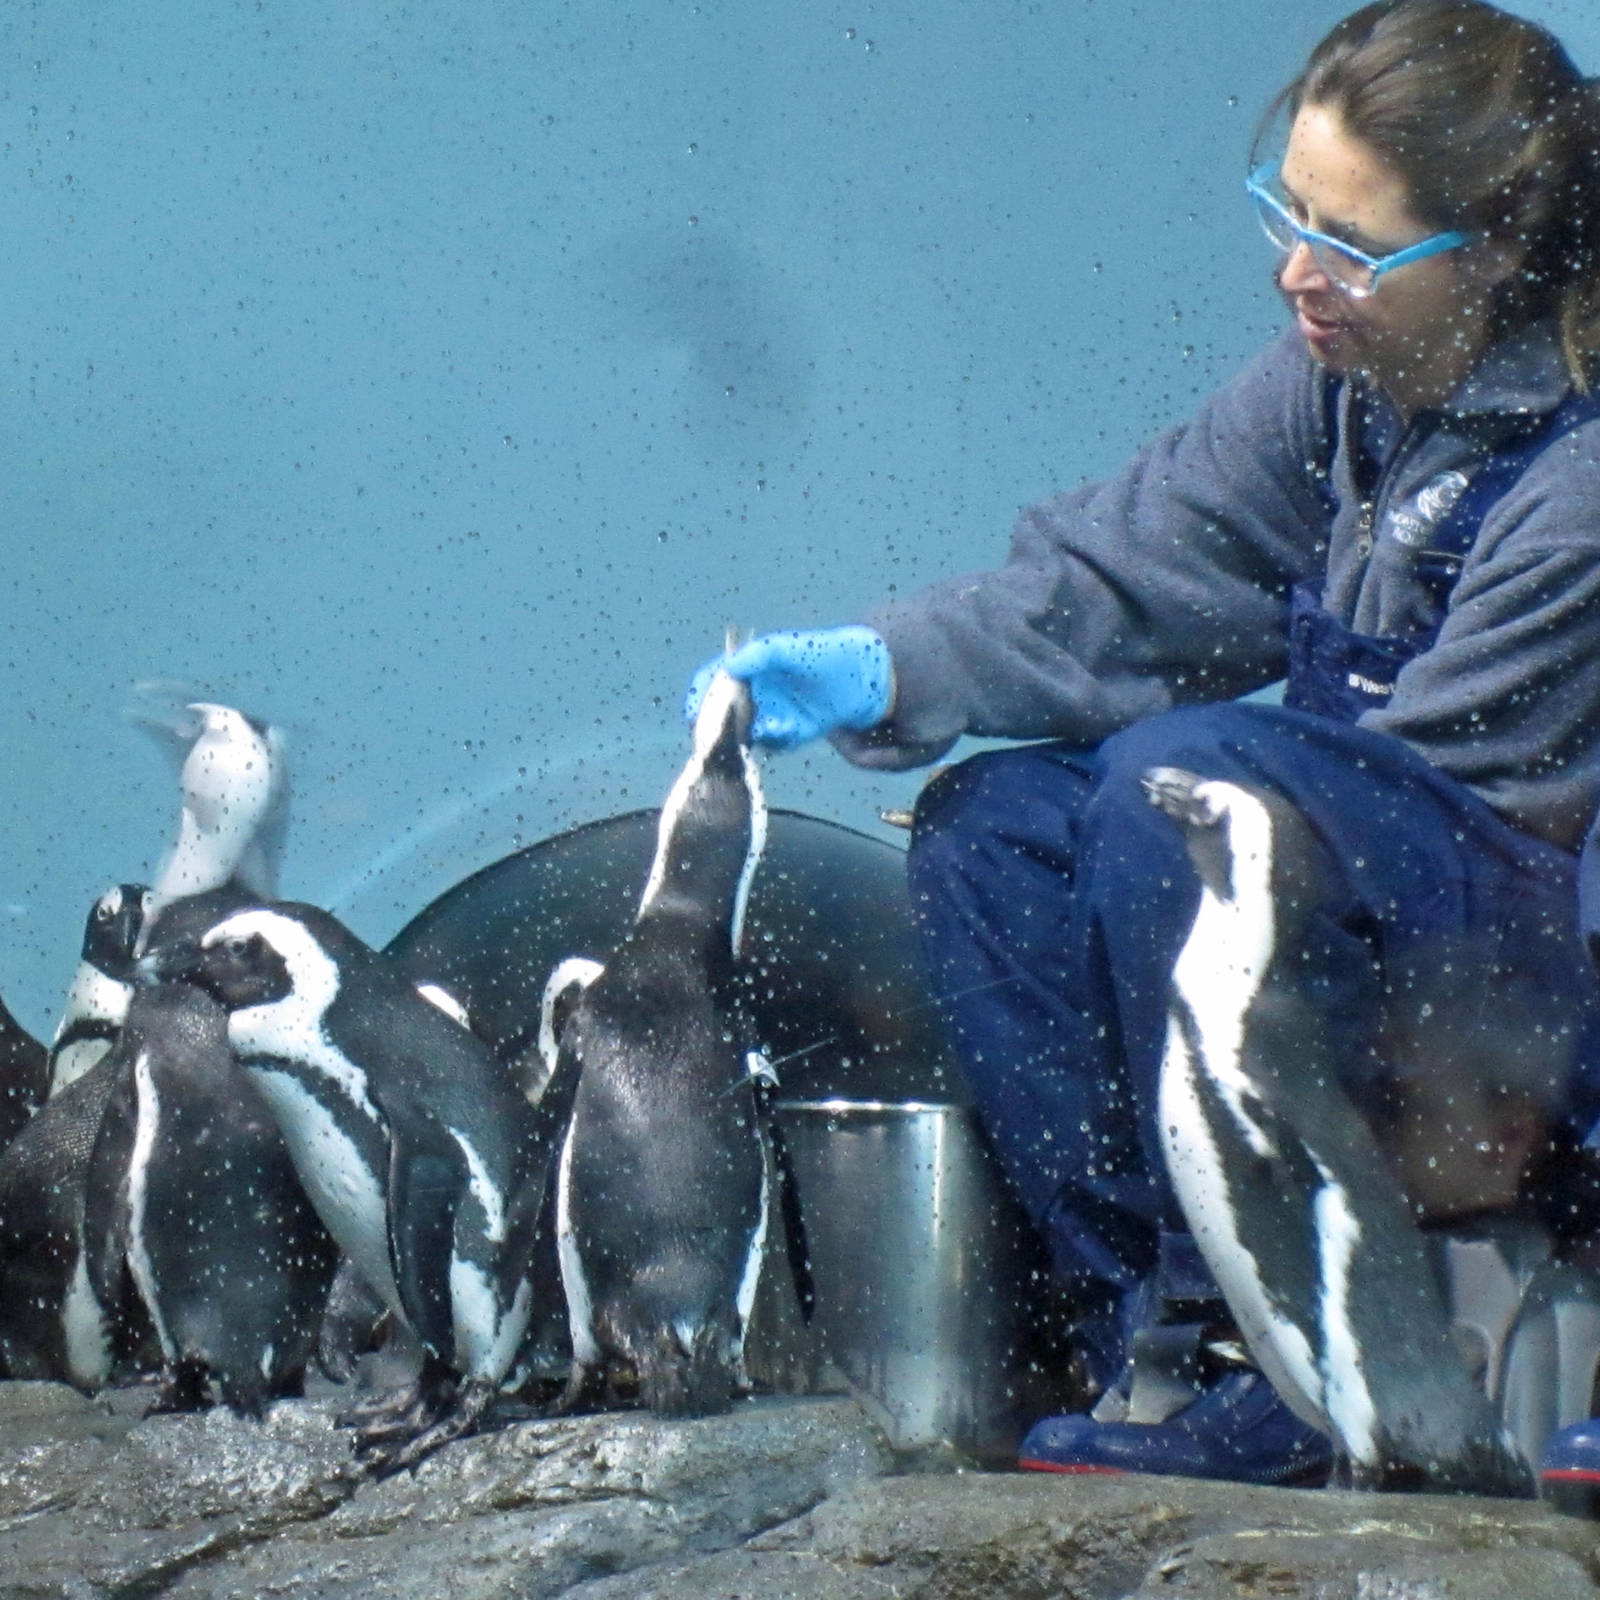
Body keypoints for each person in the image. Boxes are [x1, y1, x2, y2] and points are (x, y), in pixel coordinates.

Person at [687, 0, 1600, 1490]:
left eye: (1351, 244)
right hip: (1356, 934)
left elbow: (1457, 795)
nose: (1297, 272)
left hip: (1523, 1016)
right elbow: (1130, 582)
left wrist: (1224, 804)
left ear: (1492, 254)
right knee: (996, 830)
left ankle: (1286, 1342)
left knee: (1181, 791)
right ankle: (1161, 1334)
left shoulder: (1577, 473)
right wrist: (891, 665)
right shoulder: (1347, 385)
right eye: (1288, 215)